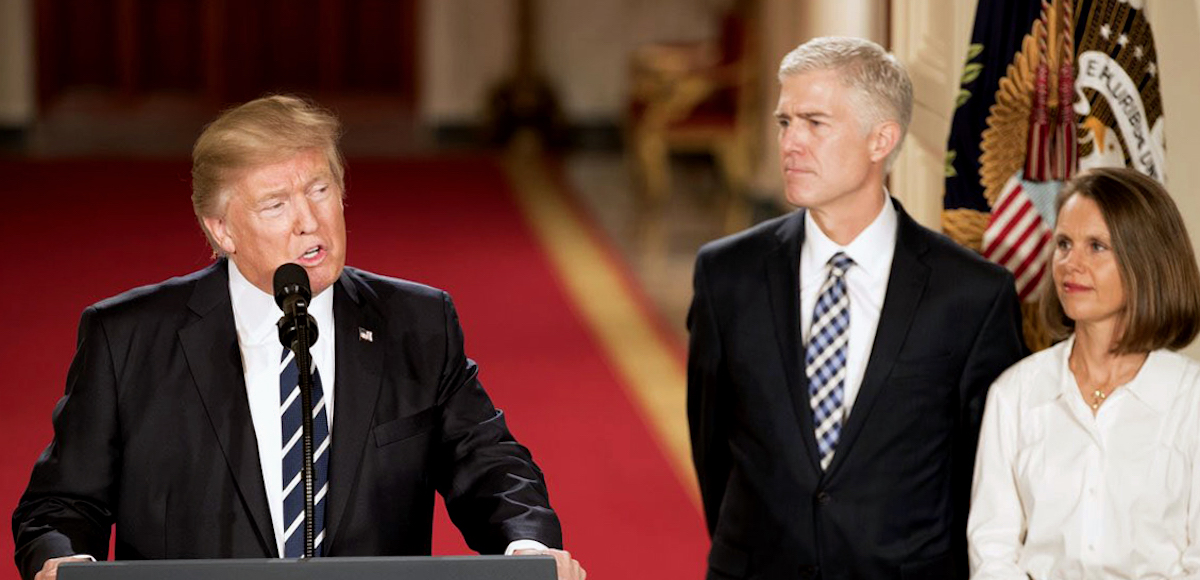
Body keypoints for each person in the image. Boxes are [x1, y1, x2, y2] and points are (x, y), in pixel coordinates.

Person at [12, 95, 584, 580]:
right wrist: (70, 562)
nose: (308, 222)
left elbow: (488, 464)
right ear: (221, 228)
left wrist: (526, 550)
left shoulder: (417, 322)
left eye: (319, 190)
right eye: (275, 204)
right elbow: (61, 504)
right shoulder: (128, 339)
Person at [687, 36, 1025, 579]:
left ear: (881, 140)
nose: (791, 143)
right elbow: (713, 449)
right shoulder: (726, 275)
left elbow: (984, 476)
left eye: (815, 123)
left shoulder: (972, 296)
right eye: (784, 122)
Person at [967, 167, 1200, 579]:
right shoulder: (1014, 393)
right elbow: (993, 551)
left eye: (1096, 246)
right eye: (1063, 244)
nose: (1069, 264)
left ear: (1145, 261)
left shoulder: (1191, 399)